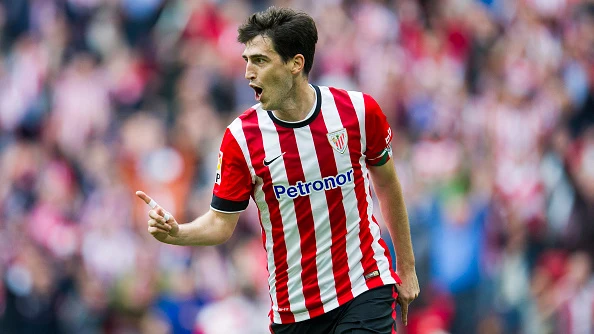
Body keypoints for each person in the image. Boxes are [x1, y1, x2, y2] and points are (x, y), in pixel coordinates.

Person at [136, 6, 419, 333]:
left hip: (364, 285)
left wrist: (407, 268)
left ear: (296, 64)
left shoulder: (357, 111)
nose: (248, 73)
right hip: (294, 309)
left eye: (260, 60)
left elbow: (387, 186)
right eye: (246, 61)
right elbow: (220, 224)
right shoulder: (241, 138)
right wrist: (178, 233)